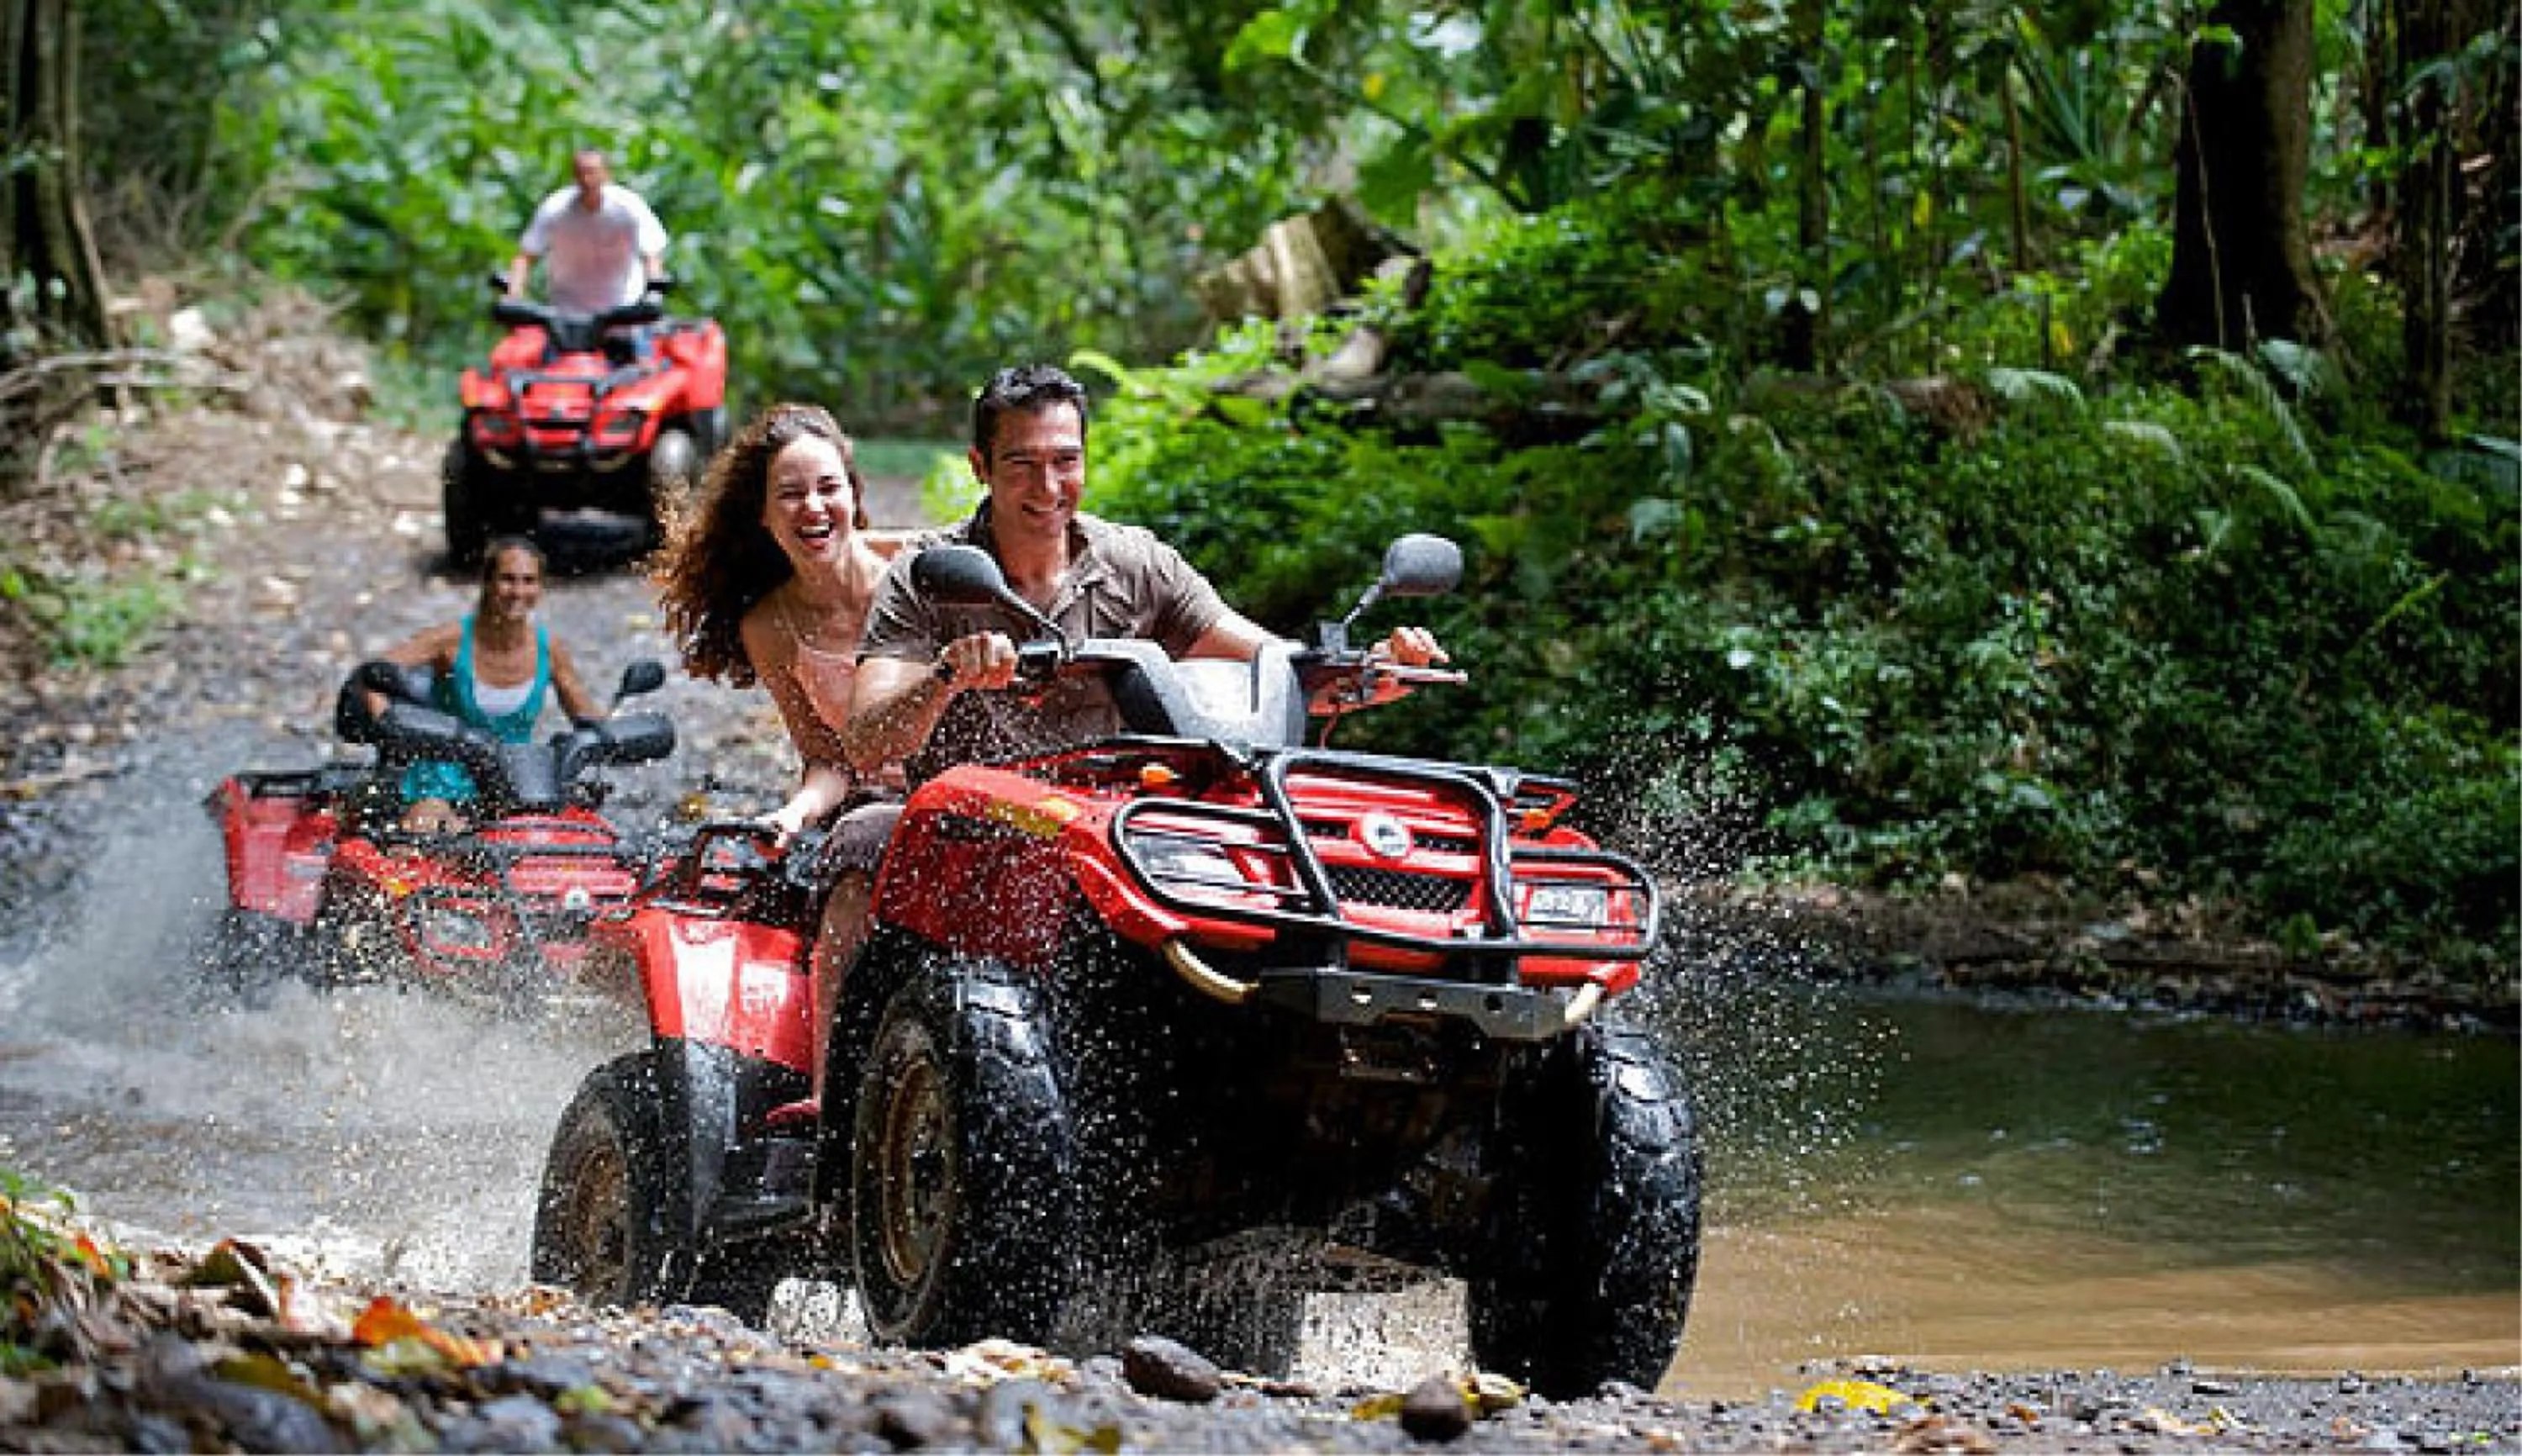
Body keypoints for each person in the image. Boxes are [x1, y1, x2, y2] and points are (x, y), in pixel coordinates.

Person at [836, 362, 1444, 939]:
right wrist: (947, 678)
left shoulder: (1137, 564)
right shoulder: (927, 575)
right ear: (980, 467)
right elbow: (867, 740)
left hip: (1114, 832)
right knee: (861, 841)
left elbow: (1274, 668)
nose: (1047, 487)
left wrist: (1370, 670)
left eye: (1065, 461)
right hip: (967, 827)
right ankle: (844, 1049)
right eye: (1021, 463)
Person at [652, 402, 920, 1098]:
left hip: (963, 775)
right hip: (868, 803)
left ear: (855, 496)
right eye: (791, 494)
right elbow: (827, 758)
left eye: (827, 488)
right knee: (847, 898)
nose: (813, 507)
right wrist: (795, 814)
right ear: (765, 519)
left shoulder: (918, 565)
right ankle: (832, 1103)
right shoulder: (768, 625)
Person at [373, 536, 603, 833]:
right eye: (508, 579)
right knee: (426, 825)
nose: (518, 591)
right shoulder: (449, 640)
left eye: (528, 581)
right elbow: (373, 676)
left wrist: (618, 735)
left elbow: (587, 719)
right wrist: (387, 725)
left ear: (540, 588)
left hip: (514, 787)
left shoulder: (550, 650)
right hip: (440, 787)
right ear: (488, 583)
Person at [507, 149, 669, 317]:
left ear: (606, 174)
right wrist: (513, 296)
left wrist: (653, 295)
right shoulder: (556, 209)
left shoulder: (628, 207)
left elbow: (652, 253)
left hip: (622, 309)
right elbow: (526, 255)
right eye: (580, 173)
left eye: (592, 172)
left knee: (639, 342)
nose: (586, 179)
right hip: (567, 311)